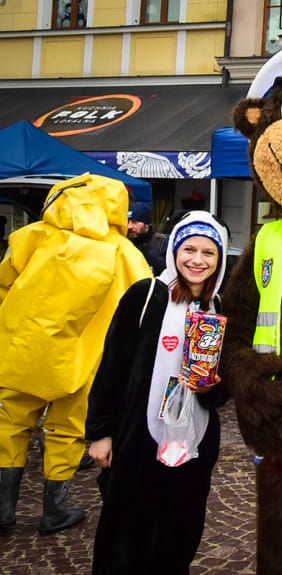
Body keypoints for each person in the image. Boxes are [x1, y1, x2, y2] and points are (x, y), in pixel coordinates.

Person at [0, 174, 151, 534]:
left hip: (24, 350)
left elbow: (4, 283)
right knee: (66, 430)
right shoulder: (124, 253)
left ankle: (4, 507)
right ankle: (54, 509)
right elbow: (143, 306)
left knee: (10, 425)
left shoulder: (31, 237)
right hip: (85, 360)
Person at [85, 211, 230, 573]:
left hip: (193, 443)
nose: (198, 260)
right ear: (175, 251)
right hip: (138, 438)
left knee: (179, 533)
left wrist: (212, 387)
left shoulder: (218, 307)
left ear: (220, 259)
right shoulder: (147, 295)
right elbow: (112, 367)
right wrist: (101, 432)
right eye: (190, 250)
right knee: (125, 534)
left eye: (209, 253)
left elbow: (221, 388)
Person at [127, 201, 167, 275]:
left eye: (135, 222)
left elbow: (169, 273)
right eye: (128, 222)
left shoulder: (162, 243)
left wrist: (150, 253)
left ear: (147, 224)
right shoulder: (125, 244)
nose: (129, 226)